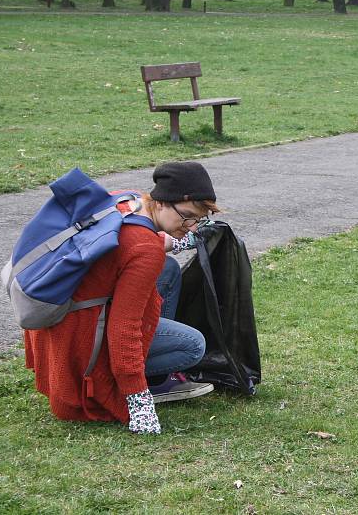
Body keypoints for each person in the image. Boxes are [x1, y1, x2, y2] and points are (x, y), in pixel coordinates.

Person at [24, 161, 220, 435]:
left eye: (198, 220)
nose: (191, 226)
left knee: (168, 270)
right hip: (79, 352)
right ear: (162, 202)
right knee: (192, 345)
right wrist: (138, 400)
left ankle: (150, 368)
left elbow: (129, 246)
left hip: (56, 327)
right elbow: (123, 328)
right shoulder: (145, 248)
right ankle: (148, 382)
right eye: (187, 217)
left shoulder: (130, 200)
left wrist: (180, 242)